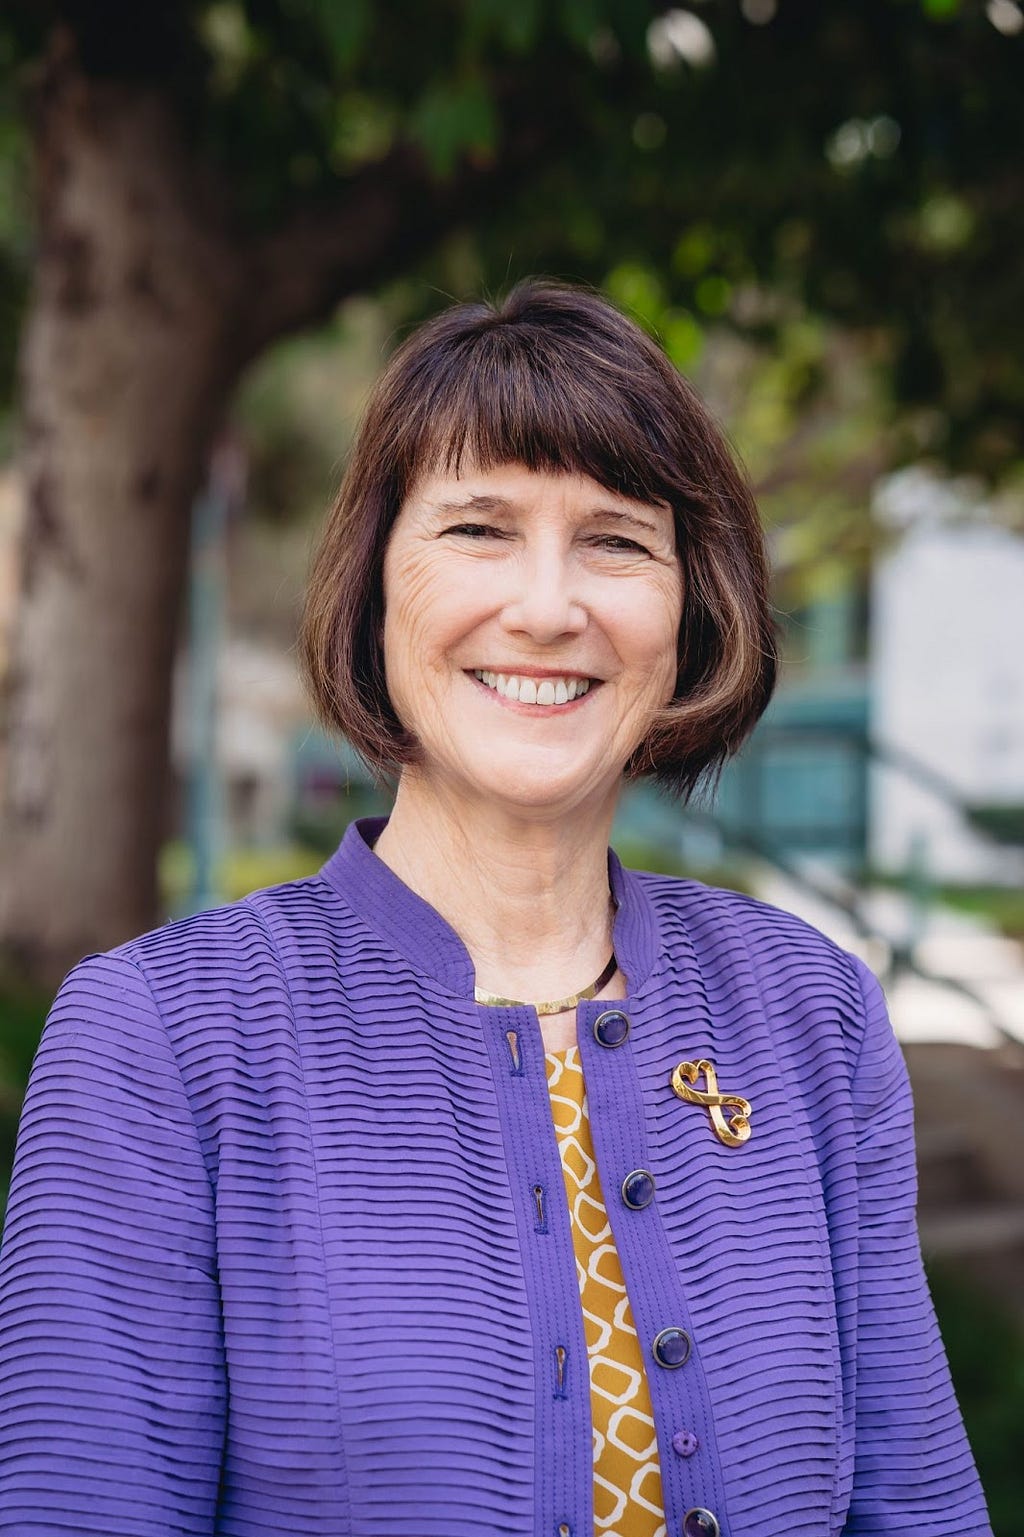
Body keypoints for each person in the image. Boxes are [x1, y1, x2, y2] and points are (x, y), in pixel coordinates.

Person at [0, 280, 990, 1537]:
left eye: (617, 540)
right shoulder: (163, 1038)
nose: (546, 605)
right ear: (373, 584)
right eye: (478, 528)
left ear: (690, 610)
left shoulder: (812, 1012)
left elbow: (914, 1506)